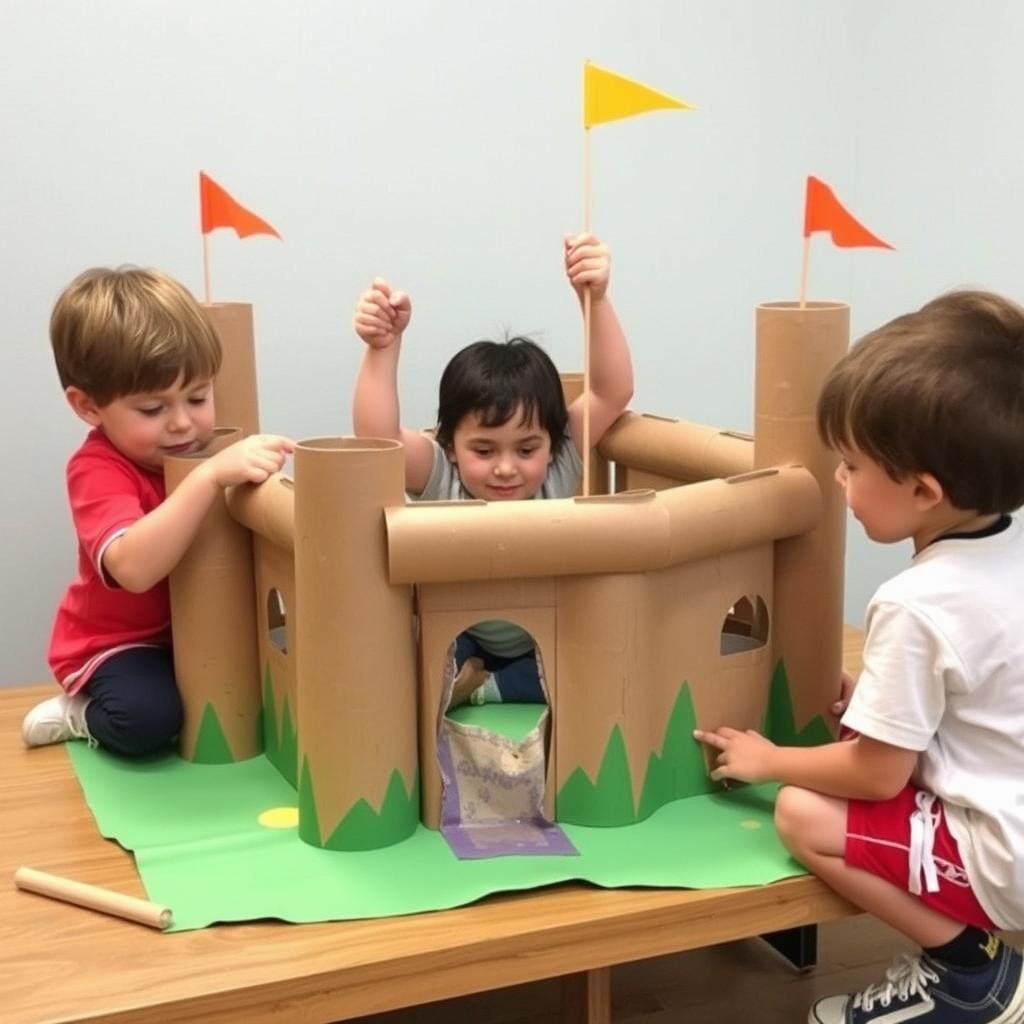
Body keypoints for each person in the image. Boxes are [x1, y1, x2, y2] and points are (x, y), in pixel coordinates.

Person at [695, 290, 1024, 1024]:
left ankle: (969, 973)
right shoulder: (1009, 551)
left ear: (923, 490)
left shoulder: (919, 601)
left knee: (802, 812)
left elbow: (878, 776)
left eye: (850, 466)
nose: (839, 481)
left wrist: (767, 759)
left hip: (1000, 852)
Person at [352, 233, 633, 706]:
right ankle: (460, 677)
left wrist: (596, 298)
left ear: (551, 442)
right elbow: (376, 442)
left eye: (526, 449)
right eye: (484, 450)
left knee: (587, 665)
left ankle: (485, 689)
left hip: (545, 642)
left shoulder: (561, 463)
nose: (507, 468)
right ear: (452, 446)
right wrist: (383, 347)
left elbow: (612, 391)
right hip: (464, 633)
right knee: (408, 656)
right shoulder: (443, 476)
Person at [22, 267, 293, 756]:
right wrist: (208, 478)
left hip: (202, 627)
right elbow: (134, 567)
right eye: (152, 410)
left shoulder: (209, 442)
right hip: (121, 643)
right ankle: (77, 710)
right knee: (148, 720)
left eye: (197, 397)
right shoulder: (96, 468)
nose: (183, 423)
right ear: (88, 407)